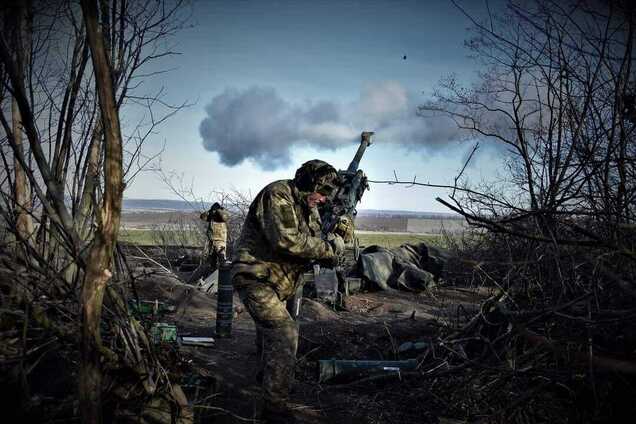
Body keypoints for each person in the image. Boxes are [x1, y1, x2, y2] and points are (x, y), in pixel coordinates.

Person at [231, 159, 345, 422]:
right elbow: (287, 240)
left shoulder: (308, 206)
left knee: (271, 334)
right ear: (308, 185)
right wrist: (329, 248)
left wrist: (337, 240)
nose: (324, 199)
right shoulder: (278, 194)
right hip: (255, 276)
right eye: (323, 192)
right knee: (283, 331)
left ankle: (270, 376)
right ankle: (274, 409)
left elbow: (312, 243)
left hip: (278, 281)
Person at [188, 202, 229, 284]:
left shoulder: (222, 214)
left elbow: (224, 216)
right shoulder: (212, 216)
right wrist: (210, 211)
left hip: (220, 242)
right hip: (212, 242)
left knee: (222, 262)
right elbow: (202, 217)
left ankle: (223, 283)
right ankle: (210, 281)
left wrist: (217, 210)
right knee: (210, 263)